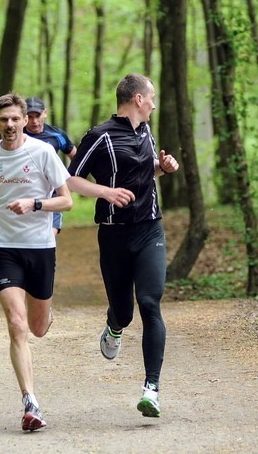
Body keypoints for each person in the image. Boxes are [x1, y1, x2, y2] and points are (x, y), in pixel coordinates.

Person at [66, 73, 179, 418]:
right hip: (114, 235)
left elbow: (144, 173)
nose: (155, 104)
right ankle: (114, 325)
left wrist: (164, 167)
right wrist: (106, 193)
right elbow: (70, 179)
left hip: (149, 230)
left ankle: (152, 389)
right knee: (124, 312)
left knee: (149, 302)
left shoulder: (145, 131)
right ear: (138, 100)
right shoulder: (99, 136)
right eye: (152, 97)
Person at [0, 93, 73, 431]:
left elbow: (67, 201)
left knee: (37, 327)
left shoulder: (44, 152)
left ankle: (45, 311)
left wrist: (34, 204)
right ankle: (30, 402)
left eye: (15, 119)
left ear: (24, 120)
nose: (10, 125)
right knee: (17, 325)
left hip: (41, 247)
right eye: (4, 120)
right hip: (4, 248)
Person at [24, 97, 77, 235]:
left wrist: (67, 181)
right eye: (30, 117)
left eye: (38, 116)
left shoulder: (57, 135)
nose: (34, 121)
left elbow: (77, 158)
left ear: (45, 113)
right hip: (26, 195)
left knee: (49, 238)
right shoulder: (18, 136)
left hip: (54, 197)